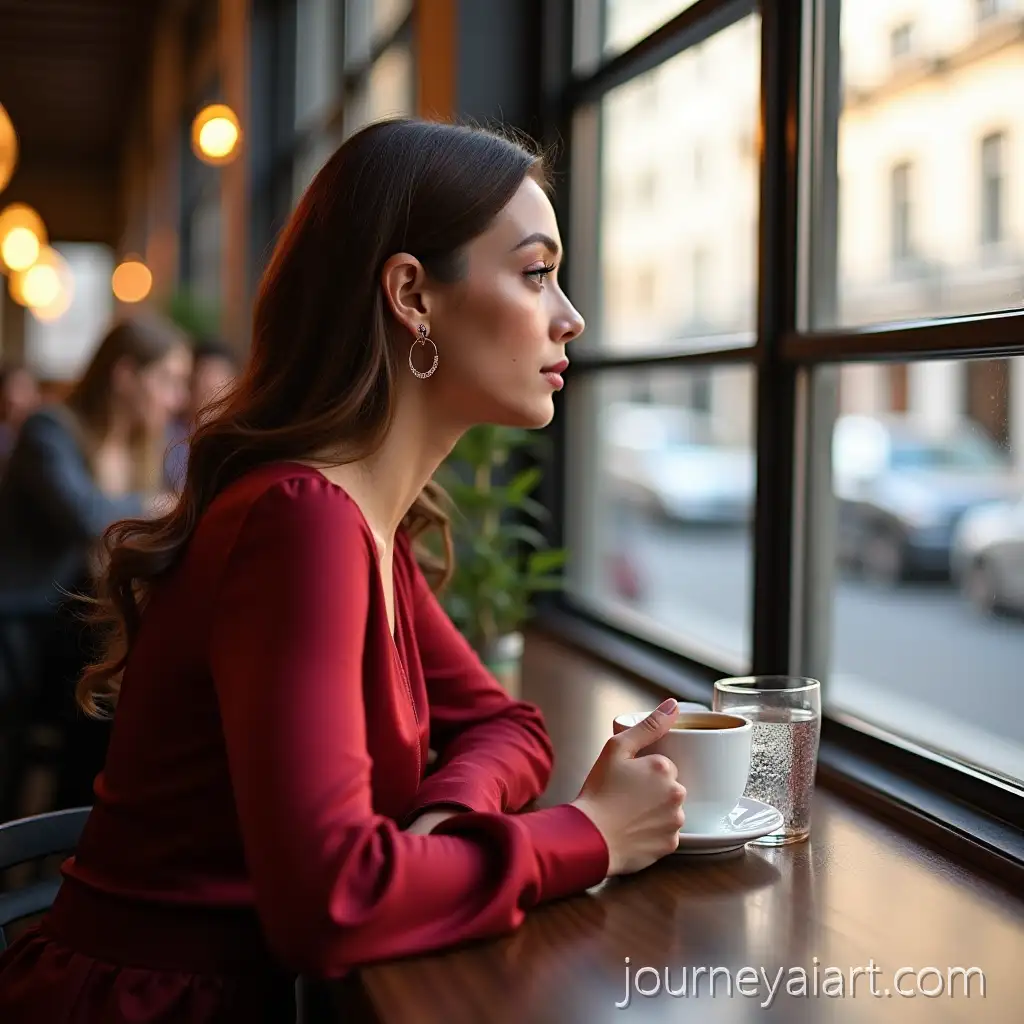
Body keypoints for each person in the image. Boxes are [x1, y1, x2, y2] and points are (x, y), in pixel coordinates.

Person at [0, 118, 687, 1023]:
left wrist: (444, 827)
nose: (572, 315)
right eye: (535, 272)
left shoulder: (367, 524)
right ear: (411, 295)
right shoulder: (303, 523)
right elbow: (332, 906)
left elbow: (506, 722)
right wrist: (590, 834)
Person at [0, 314, 190, 809]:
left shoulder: (145, 450)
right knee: (108, 690)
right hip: (20, 620)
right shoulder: (49, 428)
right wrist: (157, 509)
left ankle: (80, 827)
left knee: (122, 678)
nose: (176, 398)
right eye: (167, 380)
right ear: (125, 376)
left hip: (72, 624)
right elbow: (87, 517)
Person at [164, 336, 240, 490]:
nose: (211, 388)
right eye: (204, 376)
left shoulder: (236, 441)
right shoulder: (166, 432)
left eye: (220, 380)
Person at [0, 362, 40, 466]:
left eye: (22, 389)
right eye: (8, 389)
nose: (13, 397)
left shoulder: (48, 439)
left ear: (36, 396)